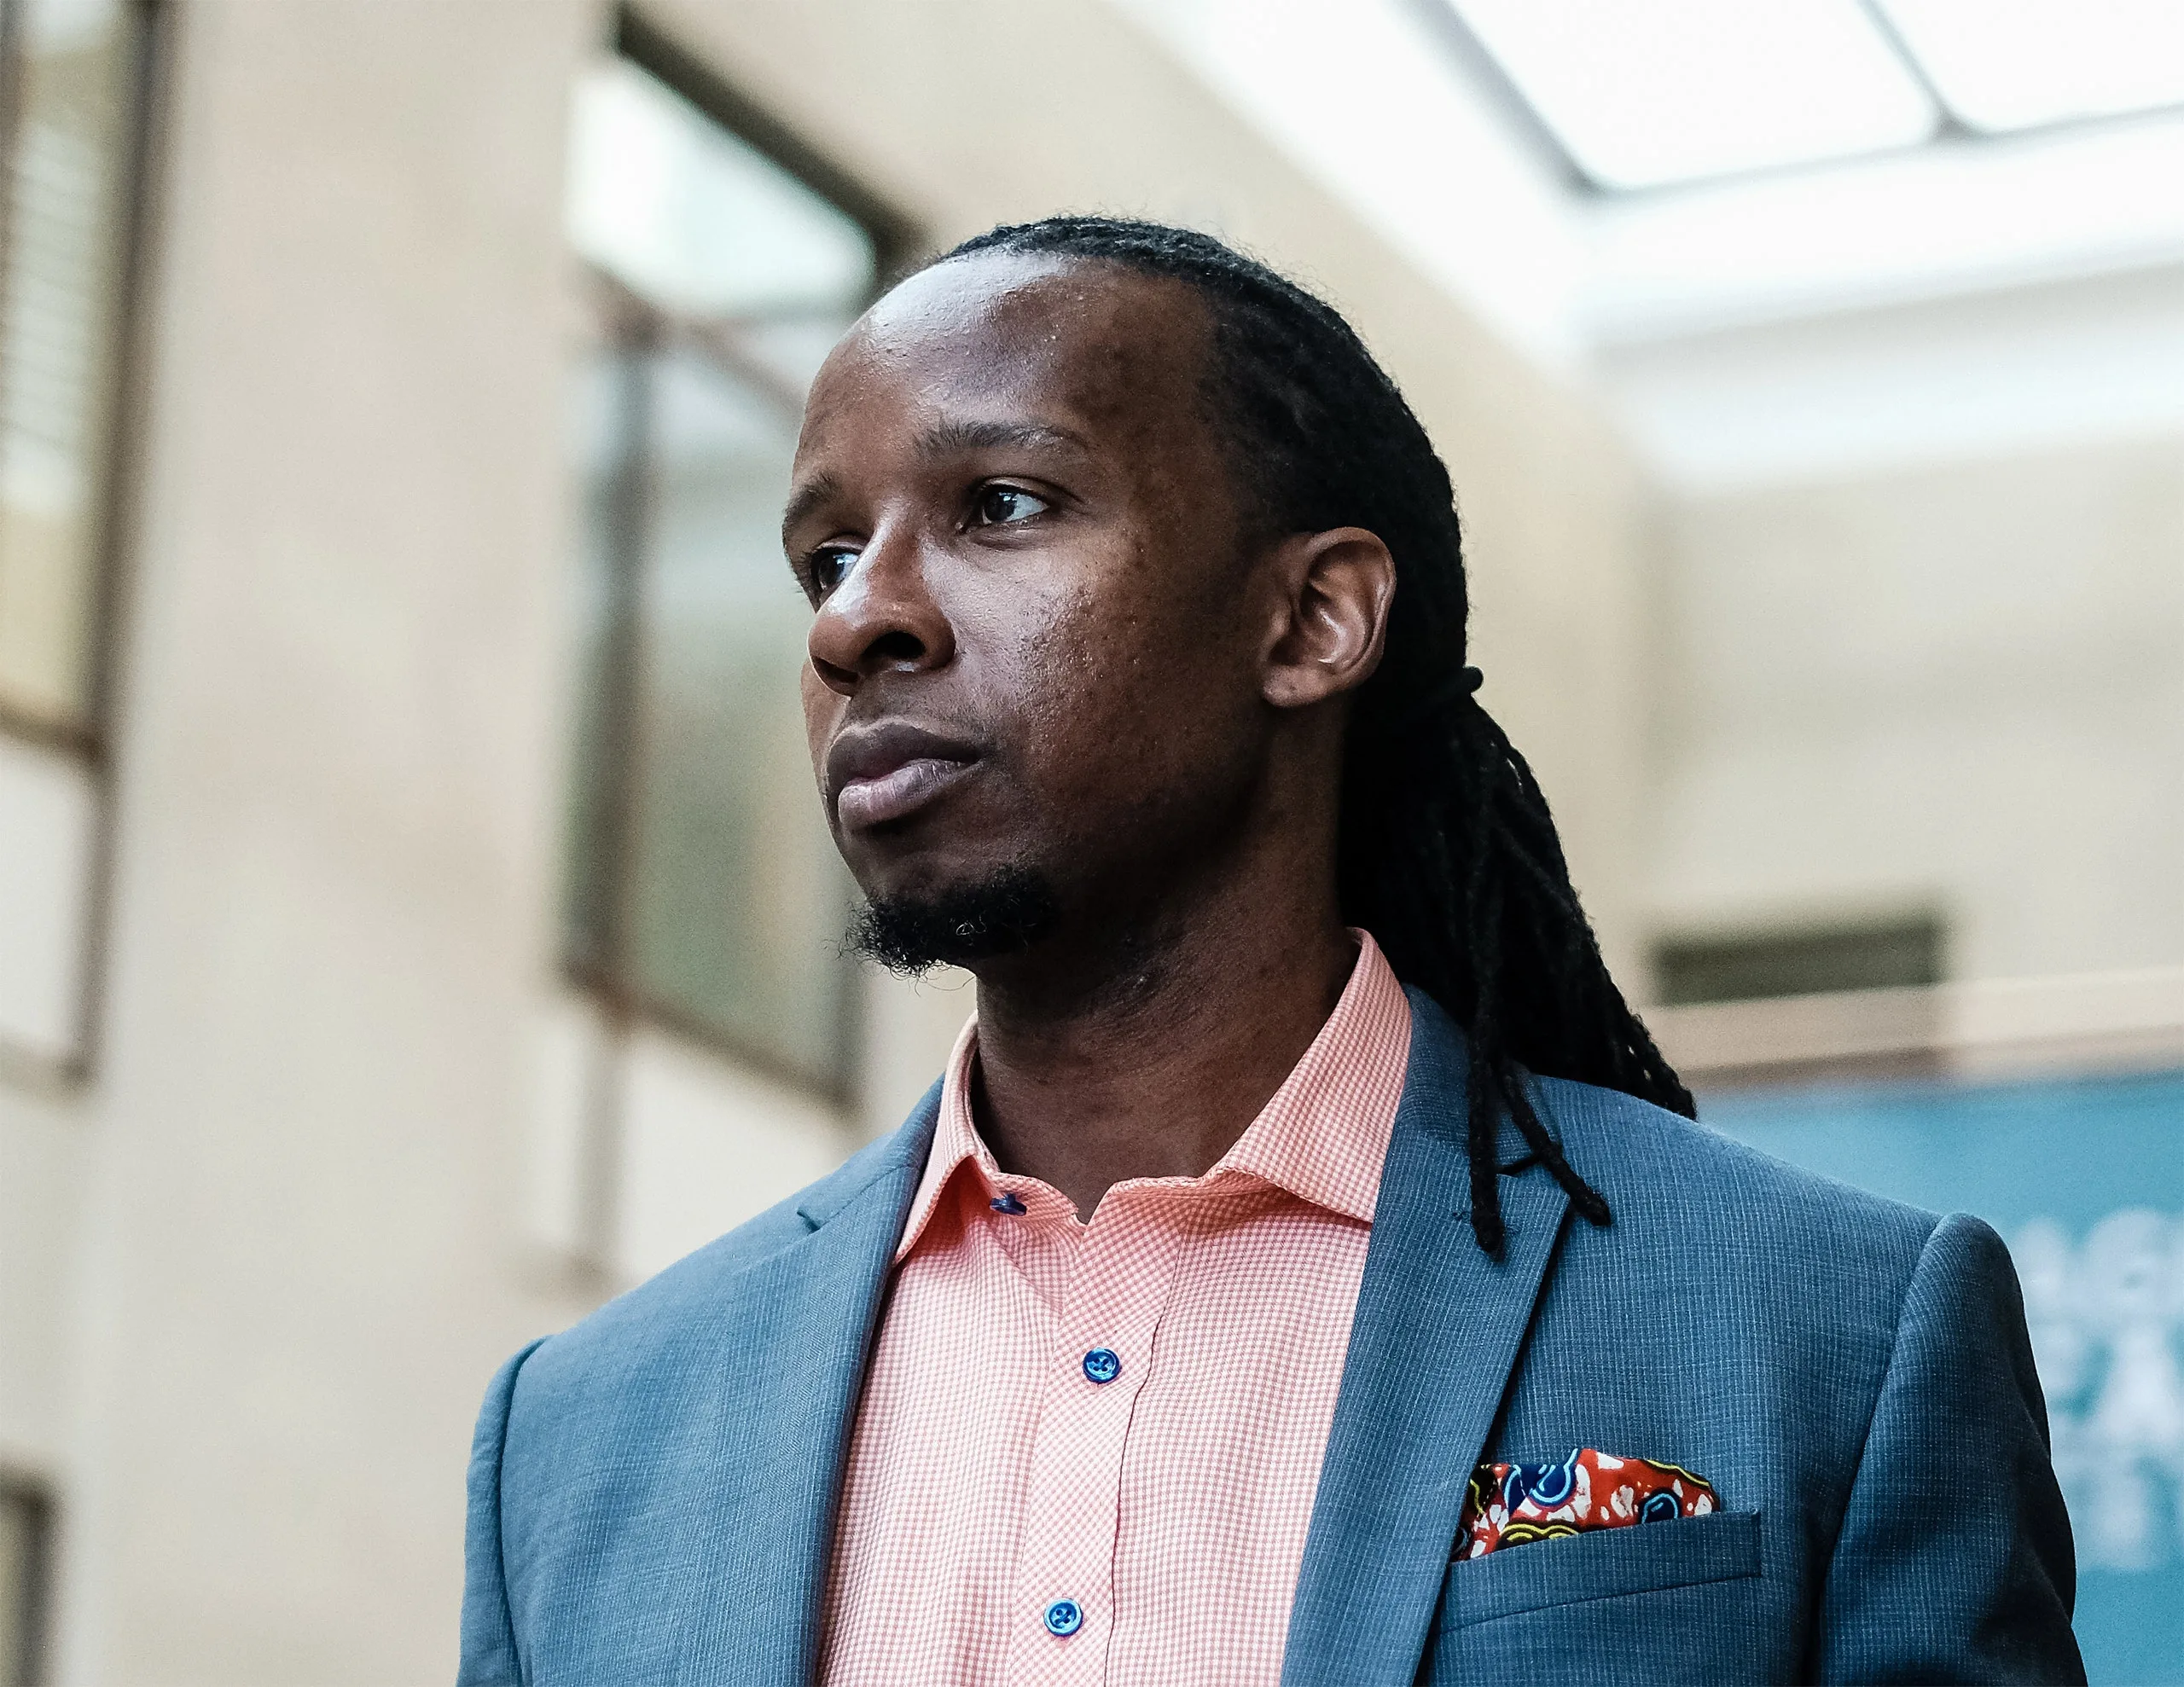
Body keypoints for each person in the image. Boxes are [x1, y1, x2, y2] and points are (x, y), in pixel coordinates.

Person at [458, 217, 2081, 1685]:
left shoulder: (1838, 1334)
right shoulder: (582, 1437)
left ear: (1311, 622)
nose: (851, 620)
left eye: (1000, 504)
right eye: (825, 555)